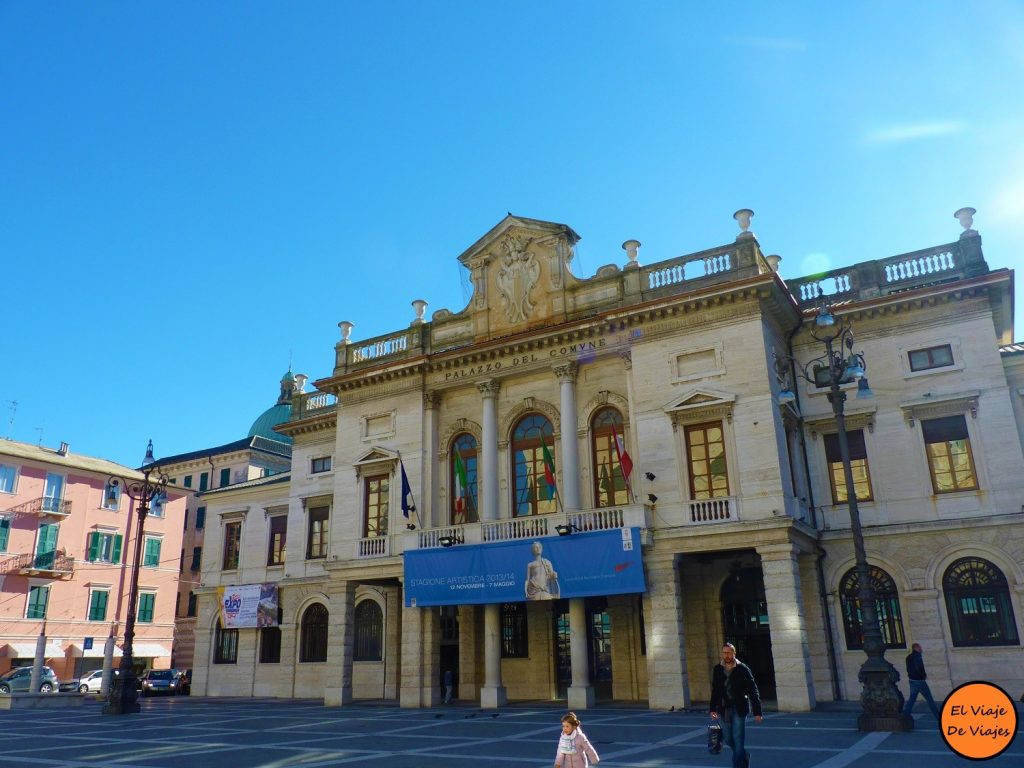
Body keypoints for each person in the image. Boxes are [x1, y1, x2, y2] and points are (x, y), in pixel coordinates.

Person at [710, 642, 763, 768]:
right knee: (728, 738)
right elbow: (715, 689)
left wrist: (757, 712)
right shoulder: (717, 669)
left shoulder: (743, 669)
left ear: (734, 653)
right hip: (723, 708)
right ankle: (743, 755)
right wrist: (712, 709)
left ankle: (739, 765)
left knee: (738, 739)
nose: (726, 655)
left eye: (729, 652)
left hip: (739, 708)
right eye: (724, 653)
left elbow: (753, 690)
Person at [903, 642, 941, 719]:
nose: (921, 649)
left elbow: (908, 669)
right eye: (920, 647)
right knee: (929, 699)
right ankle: (938, 716)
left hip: (912, 680)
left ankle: (905, 714)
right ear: (916, 648)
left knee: (912, 699)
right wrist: (923, 676)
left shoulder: (908, 657)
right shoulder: (918, 656)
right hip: (919, 681)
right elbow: (918, 668)